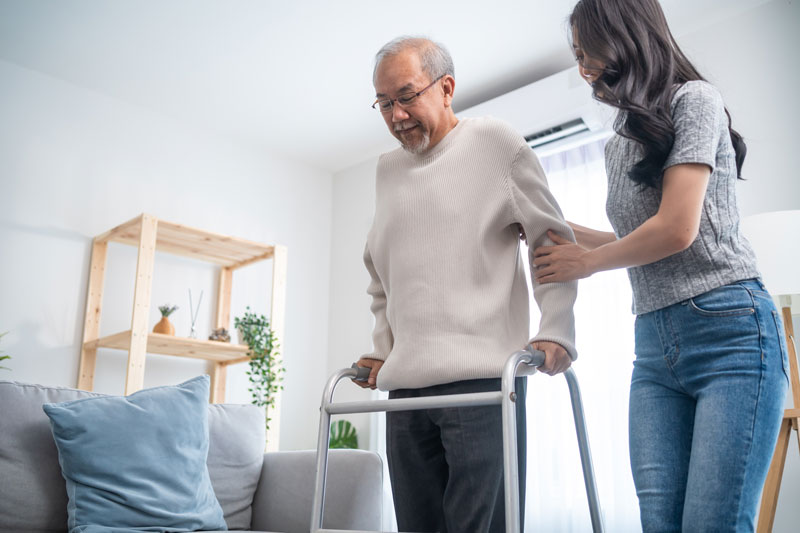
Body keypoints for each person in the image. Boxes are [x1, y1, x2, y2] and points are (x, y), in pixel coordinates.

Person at [532, 1, 790, 531]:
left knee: (711, 523)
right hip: (653, 346)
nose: (583, 68)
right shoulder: (619, 144)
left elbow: (676, 229)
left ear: (625, 33)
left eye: (589, 50)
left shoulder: (695, 99)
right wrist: (542, 223)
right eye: (577, 55)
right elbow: (634, 240)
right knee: (660, 523)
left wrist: (588, 263)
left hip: (730, 332)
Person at [354, 36, 578, 533]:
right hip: (407, 394)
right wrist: (383, 348)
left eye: (407, 96)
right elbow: (381, 273)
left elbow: (550, 241)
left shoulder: (496, 144)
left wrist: (557, 327)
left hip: (483, 385)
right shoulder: (388, 169)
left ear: (446, 87)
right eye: (384, 103)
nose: (396, 115)